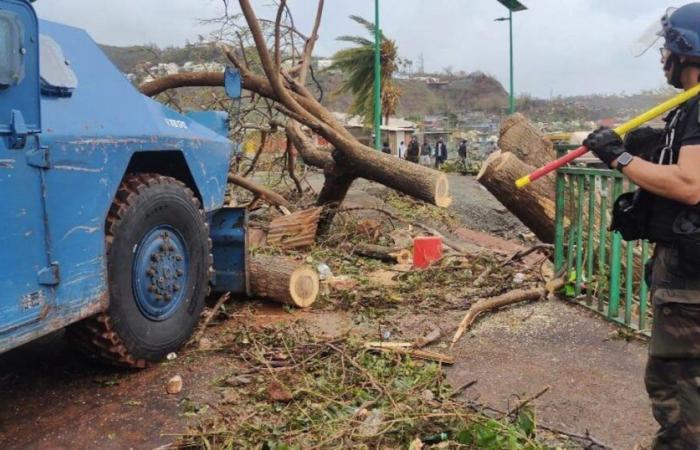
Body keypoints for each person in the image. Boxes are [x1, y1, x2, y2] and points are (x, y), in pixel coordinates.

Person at [583, 5, 700, 447]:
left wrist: (620, 158)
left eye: (668, 47)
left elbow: (691, 185)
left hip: (692, 287)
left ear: (688, 51)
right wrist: (642, 149)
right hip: (686, 277)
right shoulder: (687, 109)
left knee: (679, 397)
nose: (662, 56)